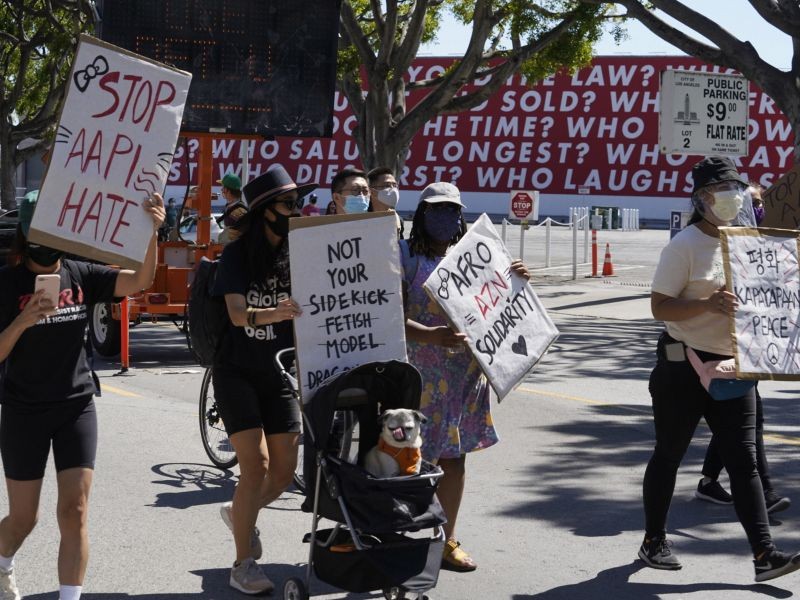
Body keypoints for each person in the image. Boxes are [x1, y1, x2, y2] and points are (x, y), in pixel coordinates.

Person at [641, 156, 800, 583]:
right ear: (701, 199)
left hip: (733, 369)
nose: (730, 199)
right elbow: (660, 307)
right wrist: (706, 304)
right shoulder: (684, 246)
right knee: (669, 455)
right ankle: (654, 540)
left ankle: (764, 554)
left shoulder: (750, 243)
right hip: (682, 370)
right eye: (720, 192)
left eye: (735, 190)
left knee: (744, 463)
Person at [0, 191, 165, 600]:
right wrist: (23, 320)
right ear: (27, 233)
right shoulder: (6, 283)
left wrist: (152, 233)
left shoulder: (81, 272)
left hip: (75, 405)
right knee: (25, 518)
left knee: (74, 512)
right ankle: (3, 563)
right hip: (23, 411)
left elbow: (139, 281)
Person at [400, 181, 529, 573]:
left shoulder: (474, 255)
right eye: (437, 210)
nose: (445, 218)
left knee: (453, 463)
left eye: (452, 210)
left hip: (465, 379)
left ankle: (445, 539)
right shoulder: (405, 257)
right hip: (420, 379)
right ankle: (395, 535)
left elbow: (502, 306)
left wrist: (519, 280)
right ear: (422, 215)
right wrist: (428, 335)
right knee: (410, 463)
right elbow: (388, 313)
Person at [212, 165, 314, 594]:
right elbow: (237, 315)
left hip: (278, 372)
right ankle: (243, 563)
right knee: (256, 467)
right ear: (266, 211)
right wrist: (276, 313)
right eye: (290, 203)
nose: (297, 210)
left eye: (298, 202)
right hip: (237, 370)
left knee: (284, 470)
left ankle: (240, 515)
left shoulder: (299, 252)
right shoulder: (236, 255)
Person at [695, 182, 790, 514]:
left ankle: (708, 480)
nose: (759, 209)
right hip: (725, 342)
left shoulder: (761, 243)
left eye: (761, 203)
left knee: (736, 417)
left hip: (752, 339)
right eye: (754, 204)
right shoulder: (720, 244)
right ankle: (765, 490)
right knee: (750, 419)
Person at [367, 166, 404, 237]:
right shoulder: (360, 218)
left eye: (395, 185)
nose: (393, 190)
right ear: (371, 191)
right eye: (387, 185)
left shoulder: (397, 219)